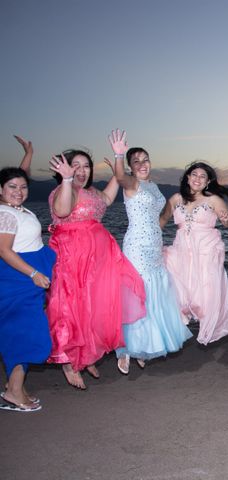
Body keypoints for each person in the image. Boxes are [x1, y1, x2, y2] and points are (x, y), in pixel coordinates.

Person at [47, 150, 146, 389]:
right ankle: (69, 362)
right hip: (73, 258)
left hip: (98, 259)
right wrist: (67, 180)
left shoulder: (91, 192)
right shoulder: (63, 191)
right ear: (65, 169)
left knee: (94, 307)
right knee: (71, 308)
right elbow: (62, 211)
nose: (81, 170)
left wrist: (117, 164)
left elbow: (108, 200)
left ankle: (87, 354)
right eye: (75, 166)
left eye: (86, 166)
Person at [108, 130, 192, 374]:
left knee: (153, 297)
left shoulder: (153, 186)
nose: (142, 164)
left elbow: (162, 216)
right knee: (137, 294)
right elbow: (120, 177)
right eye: (137, 161)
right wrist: (118, 155)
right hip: (137, 247)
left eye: (146, 159)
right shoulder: (131, 183)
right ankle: (125, 349)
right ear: (131, 167)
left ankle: (143, 346)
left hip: (155, 244)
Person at [0, 156, 55, 412]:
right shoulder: (5, 214)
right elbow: (4, 251)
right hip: (17, 280)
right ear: (1, 189)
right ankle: (13, 391)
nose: (19, 192)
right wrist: (33, 273)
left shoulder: (17, 210)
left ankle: (16, 389)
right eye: (12, 187)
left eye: (23, 187)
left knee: (18, 333)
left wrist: (29, 154)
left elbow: (23, 241)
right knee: (27, 334)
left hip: (23, 280)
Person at [161, 162, 228, 345]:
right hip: (182, 248)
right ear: (187, 177)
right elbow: (161, 220)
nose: (197, 179)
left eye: (203, 176)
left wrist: (227, 220)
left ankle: (206, 322)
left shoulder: (214, 200)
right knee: (175, 282)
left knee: (206, 290)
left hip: (206, 248)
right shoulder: (176, 198)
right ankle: (180, 318)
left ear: (208, 182)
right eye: (194, 174)